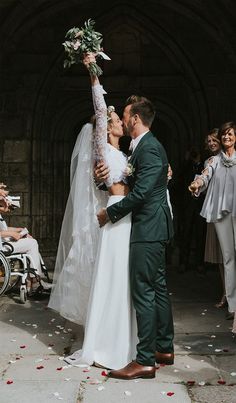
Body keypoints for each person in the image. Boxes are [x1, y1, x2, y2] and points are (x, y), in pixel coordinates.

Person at [50, 53, 136, 370]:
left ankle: (120, 336)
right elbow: (101, 109)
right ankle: (102, 341)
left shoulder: (124, 152)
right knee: (111, 276)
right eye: (117, 120)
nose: (121, 123)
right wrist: (92, 71)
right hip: (114, 214)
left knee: (121, 279)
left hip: (125, 214)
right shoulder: (102, 144)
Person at [97, 92, 174, 379]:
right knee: (157, 286)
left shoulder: (149, 147)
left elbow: (141, 193)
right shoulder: (142, 147)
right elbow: (141, 181)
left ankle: (144, 360)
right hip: (153, 226)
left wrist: (110, 214)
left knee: (144, 290)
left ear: (136, 119)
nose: (125, 120)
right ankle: (163, 348)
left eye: (127, 115)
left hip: (148, 228)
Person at [189, 121, 236, 338]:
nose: (226, 138)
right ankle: (233, 307)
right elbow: (205, 175)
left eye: (230, 134)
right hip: (221, 213)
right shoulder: (213, 160)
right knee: (228, 258)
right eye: (224, 134)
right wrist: (197, 183)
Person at [203, 129, 225, 308]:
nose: (211, 143)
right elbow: (204, 179)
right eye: (208, 141)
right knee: (220, 257)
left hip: (229, 211)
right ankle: (226, 292)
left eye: (213, 140)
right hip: (214, 211)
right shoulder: (209, 161)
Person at [177, 147, 206, 273]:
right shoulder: (186, 167)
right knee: (186, 234)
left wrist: (199, 161)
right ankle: (183, 262)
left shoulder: (204, 166)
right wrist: (186, 160)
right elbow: (178, 179)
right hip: (187, 206)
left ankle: (200, 263)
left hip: (200, 206)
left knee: (201, 235)